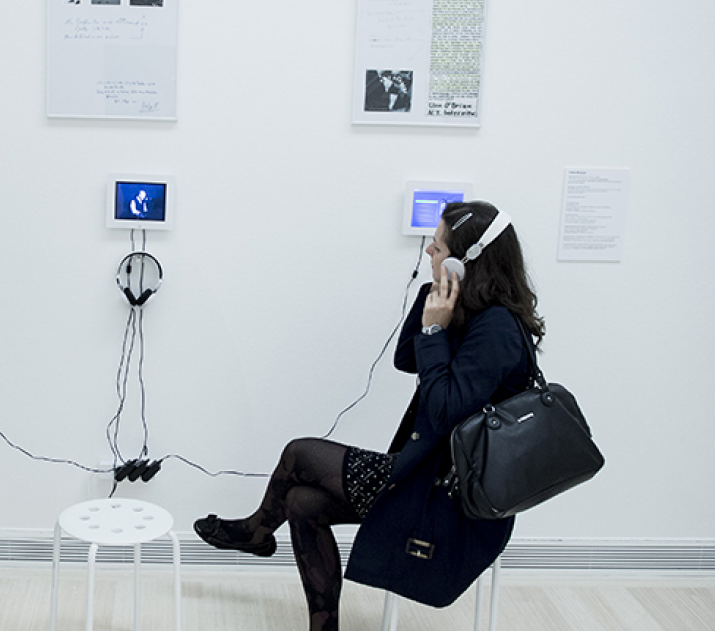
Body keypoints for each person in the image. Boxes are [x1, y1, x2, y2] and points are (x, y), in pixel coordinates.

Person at [194, 201, 542, 631]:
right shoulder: (467, 311)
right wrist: (432, 300)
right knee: (301, 503)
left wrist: (434, 330)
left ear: (465, 261)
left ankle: (256, 532)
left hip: (446, 497)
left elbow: (443, 411)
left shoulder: (498, 329)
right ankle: (318, 619)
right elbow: (405, 359)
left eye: (437, 248)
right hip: (423, 472)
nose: (428, 253)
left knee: (299, 454)